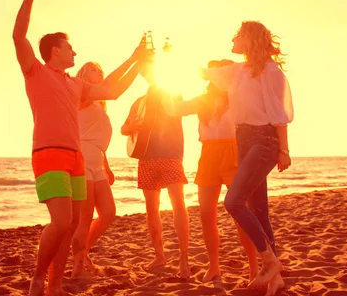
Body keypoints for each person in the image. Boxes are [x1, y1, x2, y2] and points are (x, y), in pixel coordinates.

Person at [12, 0, 146, 296]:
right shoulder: (36, 71)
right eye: (69, 47)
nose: (75, 52)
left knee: (72, 225)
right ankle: (38, 278)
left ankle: (56, 284)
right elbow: (18, 36)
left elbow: (111, 89)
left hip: (75, 158)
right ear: (54, 51)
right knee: (61, 223)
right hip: (48, 153)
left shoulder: (75, 84)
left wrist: (135, 58)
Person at [202, 21, 293, 295]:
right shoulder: (237, 71)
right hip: (243, 141)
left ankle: (268, 260)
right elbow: (204, 73)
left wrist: (284, 150)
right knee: (259, 211)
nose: (233, 38)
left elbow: (278, 114)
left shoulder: (270, 71)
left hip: (264, 141)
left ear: (250, 39)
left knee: (233, 201)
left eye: (239, 34)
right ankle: (275, 278)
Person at [174, 59, 258, 283]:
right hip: (208, 156)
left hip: (234, 153)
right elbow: (177, 109)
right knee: (205, 214)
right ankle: (214, 267)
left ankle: (254, 267)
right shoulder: (203, 100)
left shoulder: (239, 97)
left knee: (241, 214)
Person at [120, 60, 191, 278]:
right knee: (152, 210)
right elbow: (124, 128)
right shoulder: (139, 102)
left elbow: (181, 108)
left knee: (178, 204)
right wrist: (131, 127)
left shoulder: (172, 94)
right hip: (146, 158)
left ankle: (184, 260)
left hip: (170, 155)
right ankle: (159, 256)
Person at [70, 61, 129, 277]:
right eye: (95, 69)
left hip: (96, 160)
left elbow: (98, 138)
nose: (100, 73)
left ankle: (82, 253)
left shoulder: (98, 105)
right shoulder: (82, 97)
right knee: (84, 218)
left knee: (108, 212)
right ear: (85, 73)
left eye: (101, 69)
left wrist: (107, 166)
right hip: (83, 158)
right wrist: (135, 61)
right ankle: (78, 267)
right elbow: (113, 85)